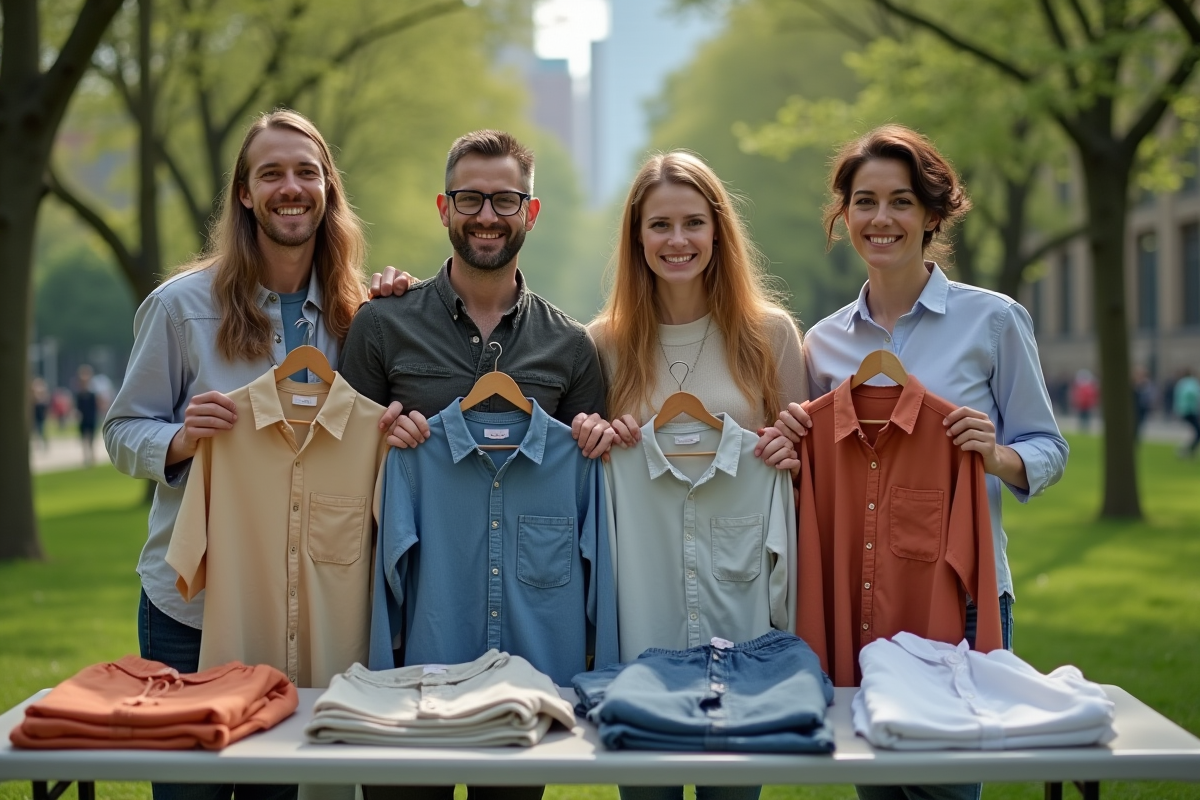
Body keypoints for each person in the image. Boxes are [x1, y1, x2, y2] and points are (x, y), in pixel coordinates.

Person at [103, 109, 406, 800]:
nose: (289, 188)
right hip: (191, 611)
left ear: (327, 189)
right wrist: (179, 440)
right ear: (244, 193)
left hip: (310, 614)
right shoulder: (179, 308)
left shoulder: (364, 317)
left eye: (305, 173)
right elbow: (122, 429)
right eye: (271, 174)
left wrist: (402, 310)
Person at [769, 124, 1068, 800]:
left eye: (901, 202)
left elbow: (1049, 447)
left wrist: (996, 456)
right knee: (875, 784)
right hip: (856, 598)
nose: (882, 219)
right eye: (865, 202)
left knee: (947, 788)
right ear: (844, 216)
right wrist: (789, 447)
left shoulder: (993, 322)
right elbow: (816, 472)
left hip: (964, 598)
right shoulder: (823, 345)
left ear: (933, 215)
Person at [342, 129, 612, 800]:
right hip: (411, 672)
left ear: (531, 212)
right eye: (470, 199)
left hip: (525, 682)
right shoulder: (382, 325)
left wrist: (595, 434)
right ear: (444, 208)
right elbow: (344, 470)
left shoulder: (570, 347)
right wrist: (382, 442)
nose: (487, 215)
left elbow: (583, 484)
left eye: (505, 200)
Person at [588, 151, 803, 800]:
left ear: (717, 230)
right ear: (636, 236)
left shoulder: (770, 336)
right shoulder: (604, 344)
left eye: (692, 223)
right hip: (643, 622)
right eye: (659, 225)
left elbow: (801, 485)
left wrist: (793, 456)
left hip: (742, 625)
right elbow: (589, 481)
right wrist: (597, 437)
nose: (676, 240)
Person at [75, 364, 99, 467]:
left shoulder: (92, 393)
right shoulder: (79, 394)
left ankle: (92, 457)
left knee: (91, 440)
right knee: (84, 439)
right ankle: (86, 457)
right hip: (83, 420)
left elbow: (96, 407)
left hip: (91, 418)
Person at [1174, 367, 1200, 457]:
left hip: (1184, 410)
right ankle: (1187, 450)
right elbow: (1193, 394)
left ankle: (1189, 450)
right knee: (1198, 431)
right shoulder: (1192, 383)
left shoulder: (1181, 383)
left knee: (1196, 431)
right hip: (1190, 410)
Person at [30, 377, 50, 450]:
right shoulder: (34, 399)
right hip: (35, 417)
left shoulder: (43, 399)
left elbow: (46, 408)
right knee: (36, 433)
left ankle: (45, 445)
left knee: (42, 432)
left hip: (41, 418)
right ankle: (38, 446)